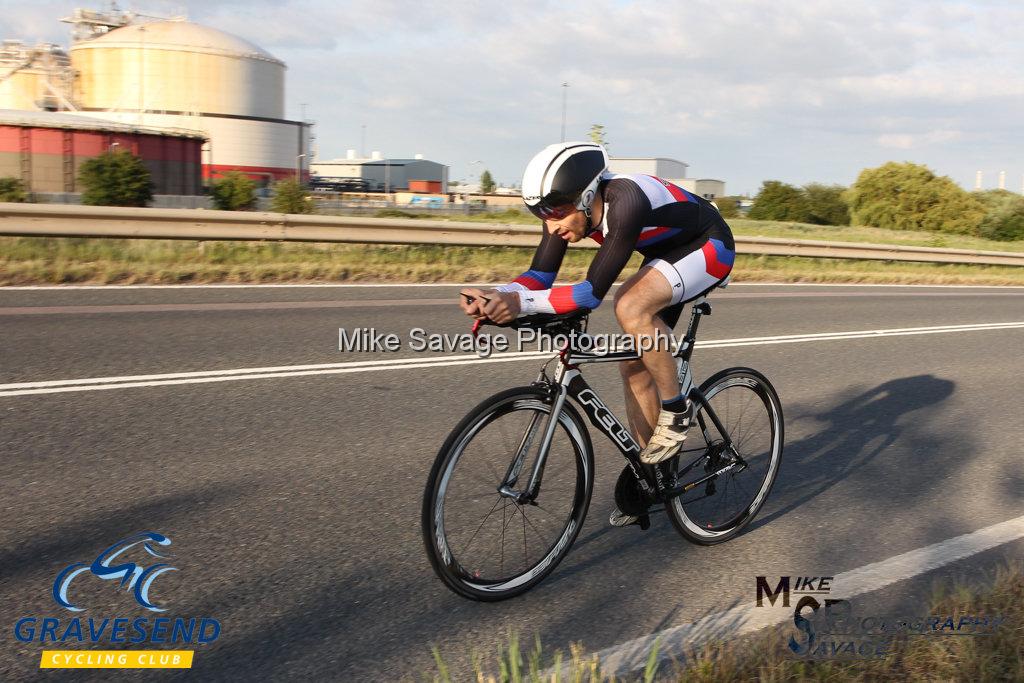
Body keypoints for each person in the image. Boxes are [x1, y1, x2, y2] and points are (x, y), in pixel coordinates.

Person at [459, 142, 735, 525]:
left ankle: (676, 410)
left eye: (555, 213)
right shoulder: (568, 211)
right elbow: (539, 278)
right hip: (666, 255)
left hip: (709, 246)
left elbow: (590, 294)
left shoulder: (626, 200)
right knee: (633, 366)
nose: (550, 225)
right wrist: (502, 295)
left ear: (587, 196)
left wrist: (523, 305)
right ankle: (654, 475)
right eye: (540, 214)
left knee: (629, 305)